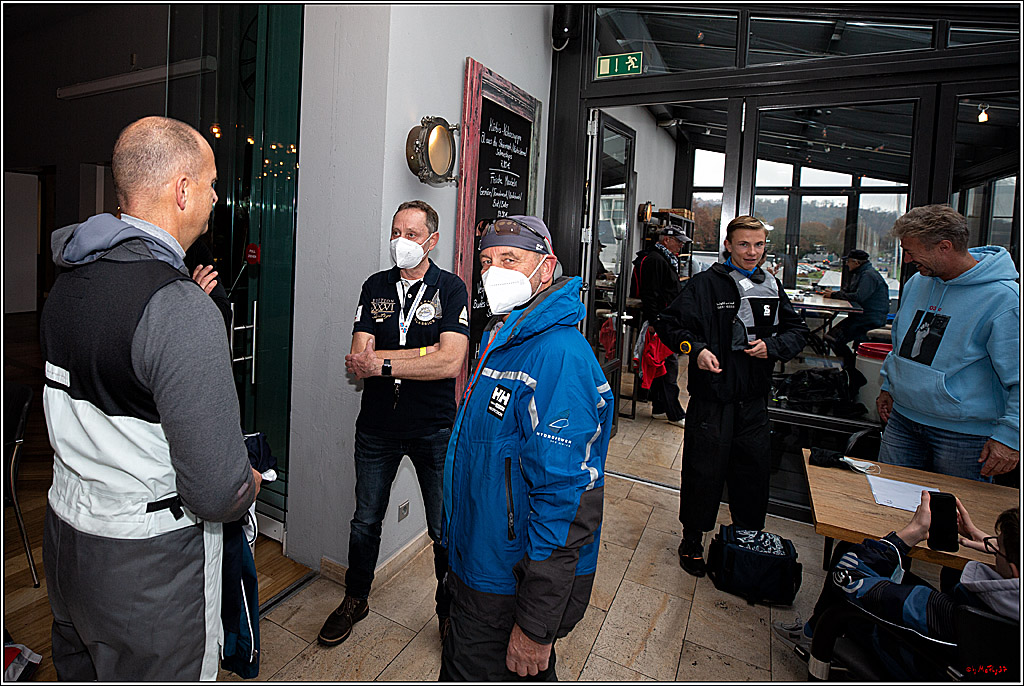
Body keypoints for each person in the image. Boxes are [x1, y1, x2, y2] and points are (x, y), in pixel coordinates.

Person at [39, 116, 261, 680]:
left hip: (68, 542)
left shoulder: (66, 280)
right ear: (182, 190)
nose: (216, 198)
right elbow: (216, 490)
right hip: (148, 571)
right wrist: (249, 484)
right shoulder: (179, 307)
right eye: (211, 184)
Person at [439, 215, 614, 680]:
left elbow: (567, 500)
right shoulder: (504, 336)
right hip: (477, 561)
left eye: (510, 259)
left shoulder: (557, 355)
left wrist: (536, 628)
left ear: (547, 267)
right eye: (486, 261)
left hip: (508, 580)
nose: (493, 271)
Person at [317, 200, 469, 647]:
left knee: (443, 527)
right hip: (377, 429)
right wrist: (419, 356)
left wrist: (385, 362)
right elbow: (357, 359)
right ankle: (355, 598)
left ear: (432, 241)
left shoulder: (451, 289)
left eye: (412, 233)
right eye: (396, 231)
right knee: (365, 521)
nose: (401, 241)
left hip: (434, 429)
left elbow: (451, 361)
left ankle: (448, 610)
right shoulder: (375, 287)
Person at [655, 215, 808, 577]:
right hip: (712, 401)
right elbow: (669, 324)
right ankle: (692, 539)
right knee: (702, 473)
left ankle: (747, 540)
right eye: (743, 244)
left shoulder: (771, 284)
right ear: (728, 246)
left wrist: (772, 346)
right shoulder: (705, 284)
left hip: (754, 403)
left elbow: (797, 331)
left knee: (752, 475)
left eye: (758, 245)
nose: (751, 252)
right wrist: (697, 349)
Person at [773, 495, 1019, 680]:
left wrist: (908, 535)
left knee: (848, 555)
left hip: (920, 659)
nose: (994, 550)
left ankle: (815, 638)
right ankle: (812, 633)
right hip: (984, 667)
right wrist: (988, 543)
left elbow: (848, 576)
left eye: (1000, 550)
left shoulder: (942, 613)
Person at [876, 205, 1019, 482]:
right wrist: (887, 385)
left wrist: (1011, 437)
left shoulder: (1005, 300)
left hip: (964, 435)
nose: (906, 260)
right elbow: (900, 344)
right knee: (887, 507)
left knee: (956, 519)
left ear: (944, 247)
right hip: (903, 420)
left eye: (911, 251)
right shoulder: (917, 282)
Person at [631, 226, 690, 427]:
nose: (681, 244)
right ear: (666, 240)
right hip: (661, 322)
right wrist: (655, 322)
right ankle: (674, 413)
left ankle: (659, 408)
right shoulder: (656, 260)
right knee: (667, 365)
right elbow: (651, 294)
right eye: (678, 240)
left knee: (663, 365)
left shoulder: (664, 259)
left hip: (666, 319)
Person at [823, 248, 890, 369]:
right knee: (832, 337)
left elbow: (859, 297)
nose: (847, 264)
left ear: (856, 262)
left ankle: (852, 369)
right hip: (864, 316)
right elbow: (851, 292)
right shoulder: (863, 273)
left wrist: (834, 295)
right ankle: (851, 367)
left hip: (868, 319)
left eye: (848, 261)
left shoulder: (868, 275)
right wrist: (835, 293)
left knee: (833, 337)